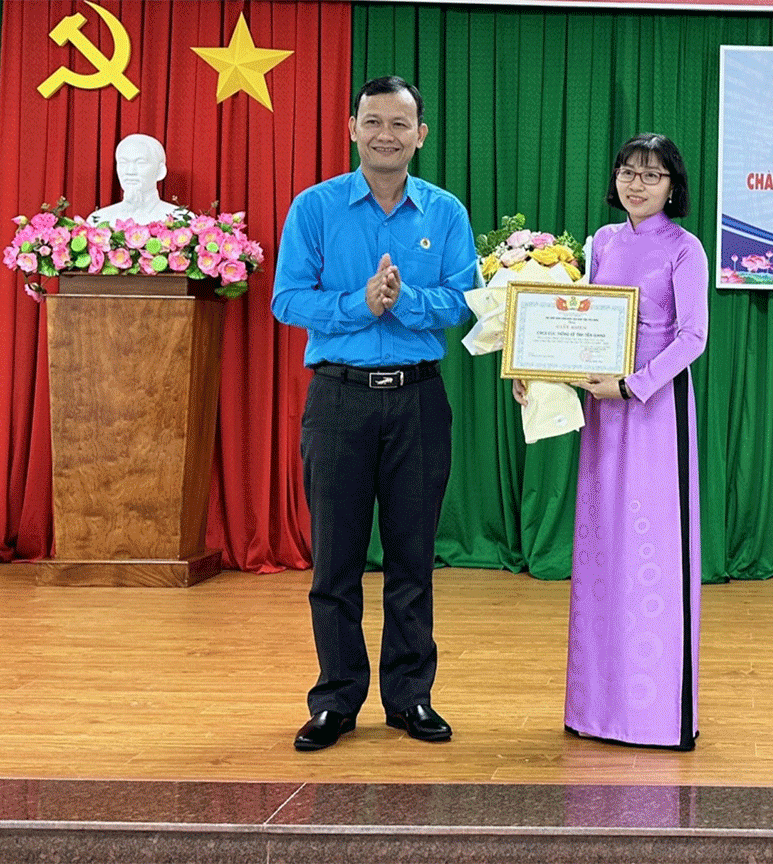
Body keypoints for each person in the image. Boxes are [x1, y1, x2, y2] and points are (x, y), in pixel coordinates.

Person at [272, 76, 476, 752]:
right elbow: (287, 300)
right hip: (338, 400)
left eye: (400, 123)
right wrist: (361, 303)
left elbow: (465, 301)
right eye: (373, 121)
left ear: (422, 134)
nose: (385, 133)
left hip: (418, 399)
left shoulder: (444, 212)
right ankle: (336, 700)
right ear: (352, 128)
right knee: (335, 562)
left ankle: (411, 698)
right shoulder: (315, 207)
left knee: (413, 561)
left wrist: (404, 300)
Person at [515, 133, 708, 750]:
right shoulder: (601, 241)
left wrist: (632, 386)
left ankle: (656, 714)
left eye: (651, 176)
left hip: (653, 411)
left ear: (673, 186)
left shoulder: (687, 249)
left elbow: (692, 337)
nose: (637, 184)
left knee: (655, 560)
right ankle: (596, 710)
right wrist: (538, 373)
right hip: (603, 413)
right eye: (628, 172)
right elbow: (581, 322)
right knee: (603, 555)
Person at [88, 133, 186, 226]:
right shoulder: (98, 220)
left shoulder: (182, 220)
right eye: (123, 163)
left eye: (140, 163)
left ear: (160, 171)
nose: (130, 171)